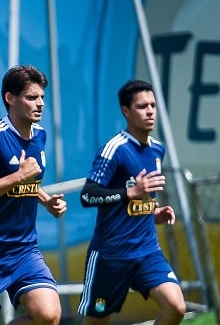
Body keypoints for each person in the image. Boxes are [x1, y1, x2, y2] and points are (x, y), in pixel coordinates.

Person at [0, 64, 67, 325]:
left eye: (42, 97)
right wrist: (19, 176)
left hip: (23, 250)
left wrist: (45, 200)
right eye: (32, 97)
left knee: (48, 315)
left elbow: (27, 181)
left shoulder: (40, 135)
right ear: (10, 98)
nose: (40, 103)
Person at [77, 79, 186, 325]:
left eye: (153, 105)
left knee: (176, 307)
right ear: (126, 111)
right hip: (111, 256)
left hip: (147, 252)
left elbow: (140, 199)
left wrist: (154, 213)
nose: (150, 111)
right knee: (96, 322)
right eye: (142, 106)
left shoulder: (157, 149)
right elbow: (88, 194)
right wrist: (129, 192)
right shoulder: (114, 149)